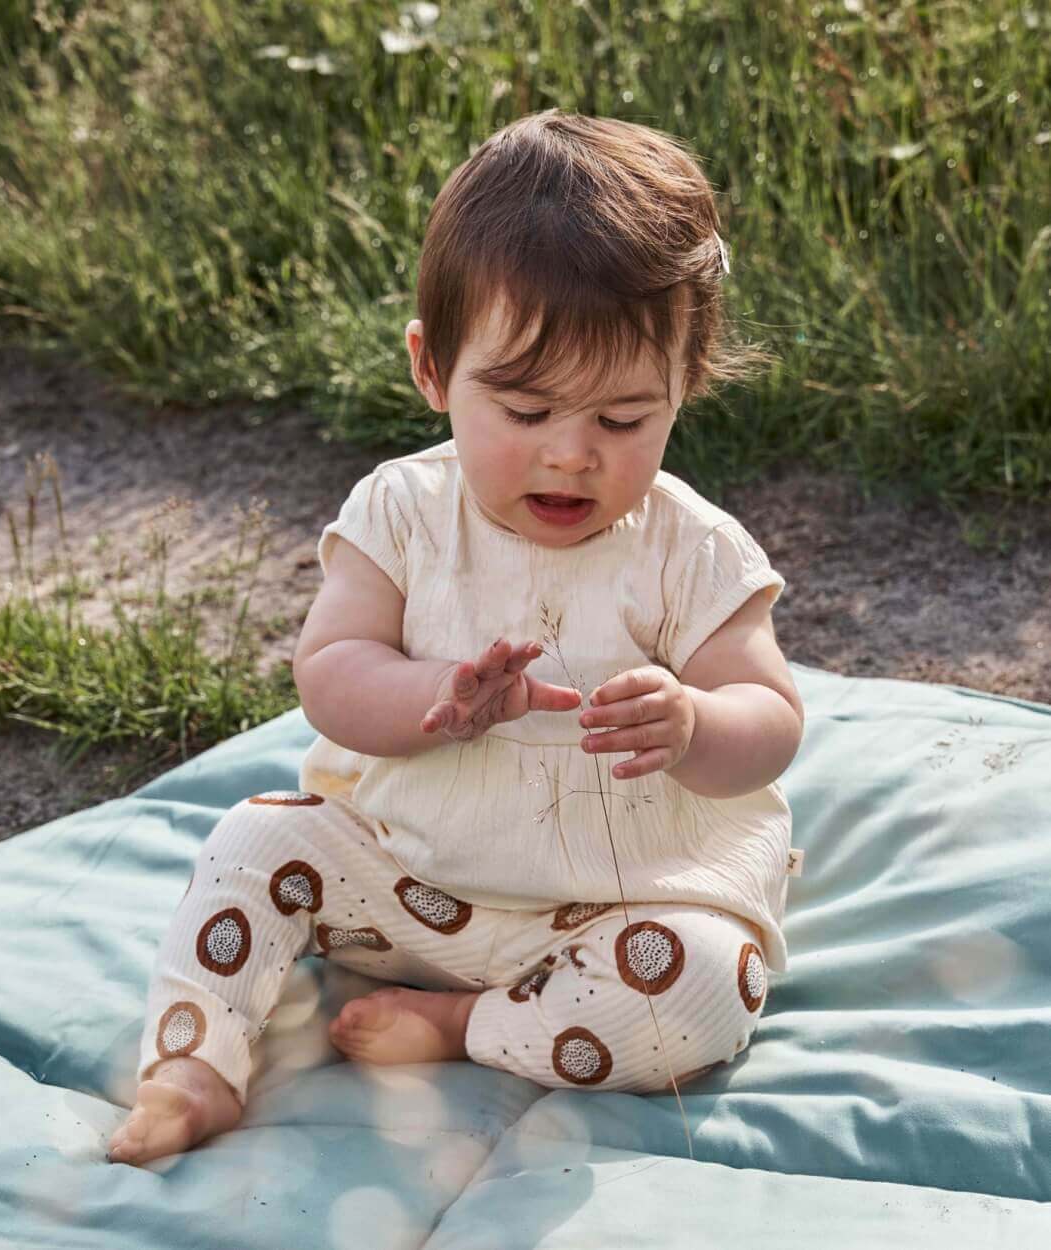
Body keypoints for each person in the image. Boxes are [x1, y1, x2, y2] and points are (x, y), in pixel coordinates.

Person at [108, 108, 804, 1167]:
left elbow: (771, 718)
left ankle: (466, 1024)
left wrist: (696, 723)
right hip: (405, 887)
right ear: (432, 370)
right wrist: (431, 695)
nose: (570, 454)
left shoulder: (691, 549)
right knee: (256, 839)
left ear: (684, 381)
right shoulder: (400, 514)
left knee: (702, 986)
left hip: (616, 909)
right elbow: (330, 674)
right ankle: (195, 1062)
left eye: (622, 419)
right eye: (524, 411)